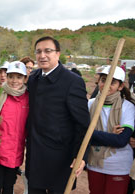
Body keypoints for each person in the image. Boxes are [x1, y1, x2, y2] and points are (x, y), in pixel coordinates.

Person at [26, 36, 90, 193]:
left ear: (58, 54)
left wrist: (81, 155)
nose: (42, 55)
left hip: (61, 157)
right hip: (35, 155)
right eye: (38, 51)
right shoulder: (33, 79)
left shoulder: (72, 82)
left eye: (48, 51)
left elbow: (83, 123)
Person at [87, 66, 135, 194]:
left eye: (112, 82)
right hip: (94, 164)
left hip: (119, 166)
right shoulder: (90, 104)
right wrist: (109, 136)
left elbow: (121, 140)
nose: (106, 85)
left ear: (120, 86)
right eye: (103, 80)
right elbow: (82, 136)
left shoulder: (127, 107)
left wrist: (91, 134)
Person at [0, 61, 29, 194]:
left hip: (15, 152)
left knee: (9, 186)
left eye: (19, 77)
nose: (14, 81)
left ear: (25, 79)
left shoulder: (28, 98)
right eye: (11, 76)